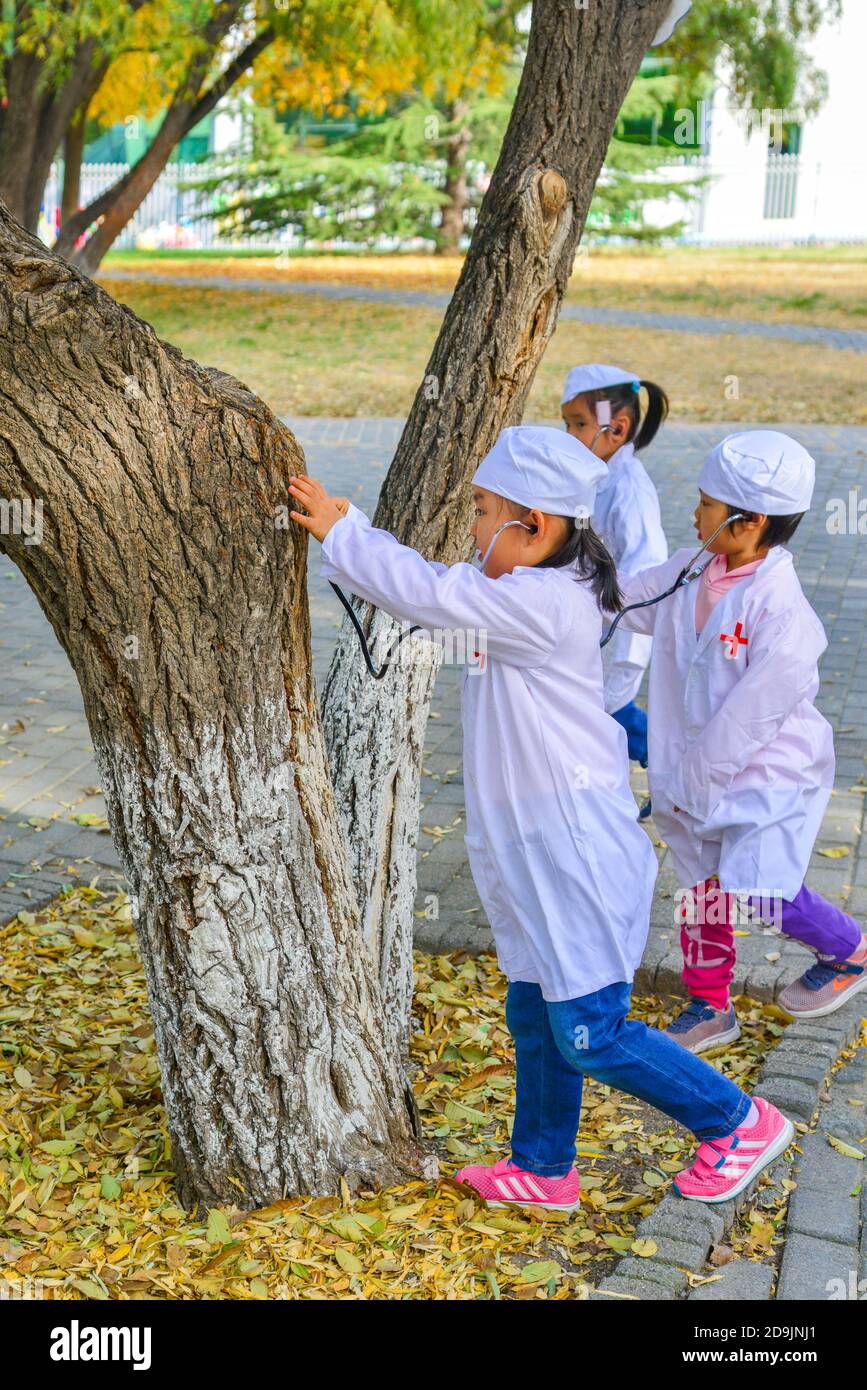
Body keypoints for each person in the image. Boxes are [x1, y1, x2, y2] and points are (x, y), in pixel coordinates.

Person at [287, 426, 794, 1209]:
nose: (472, 526)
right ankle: (545, 1168)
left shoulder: (543, 604)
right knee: (534, 1008)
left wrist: (344, 532)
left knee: (590, 1030)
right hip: (533, 846)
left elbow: (436, 594)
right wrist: (363, 541)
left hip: (571, 852)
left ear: (535, 526)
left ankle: (737, 1121)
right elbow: (445, 589)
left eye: (484, 510)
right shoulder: (537, 589)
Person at [614, 430, 867, 1053]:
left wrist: (688, 786)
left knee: (758, 886)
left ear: (749, 521)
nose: (694, 513)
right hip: (694, 768)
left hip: (770, 772)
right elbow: (625, 599)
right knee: (701, 886)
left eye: (705, 504)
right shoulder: (691, 568)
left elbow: (748, 722)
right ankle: (709, 1006)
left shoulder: (784, 614)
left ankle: (850, 949)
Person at [561, 363, 669, 788]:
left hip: (622, 631)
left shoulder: (630, 489)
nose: (570, 434)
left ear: (617, 429)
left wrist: (599, 599)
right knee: (603, 712)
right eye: (567, 422)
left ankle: (668, 771)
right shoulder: (598, 476)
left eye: (580, 424)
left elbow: (647, 566)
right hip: (600, 624)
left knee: (610, 713)